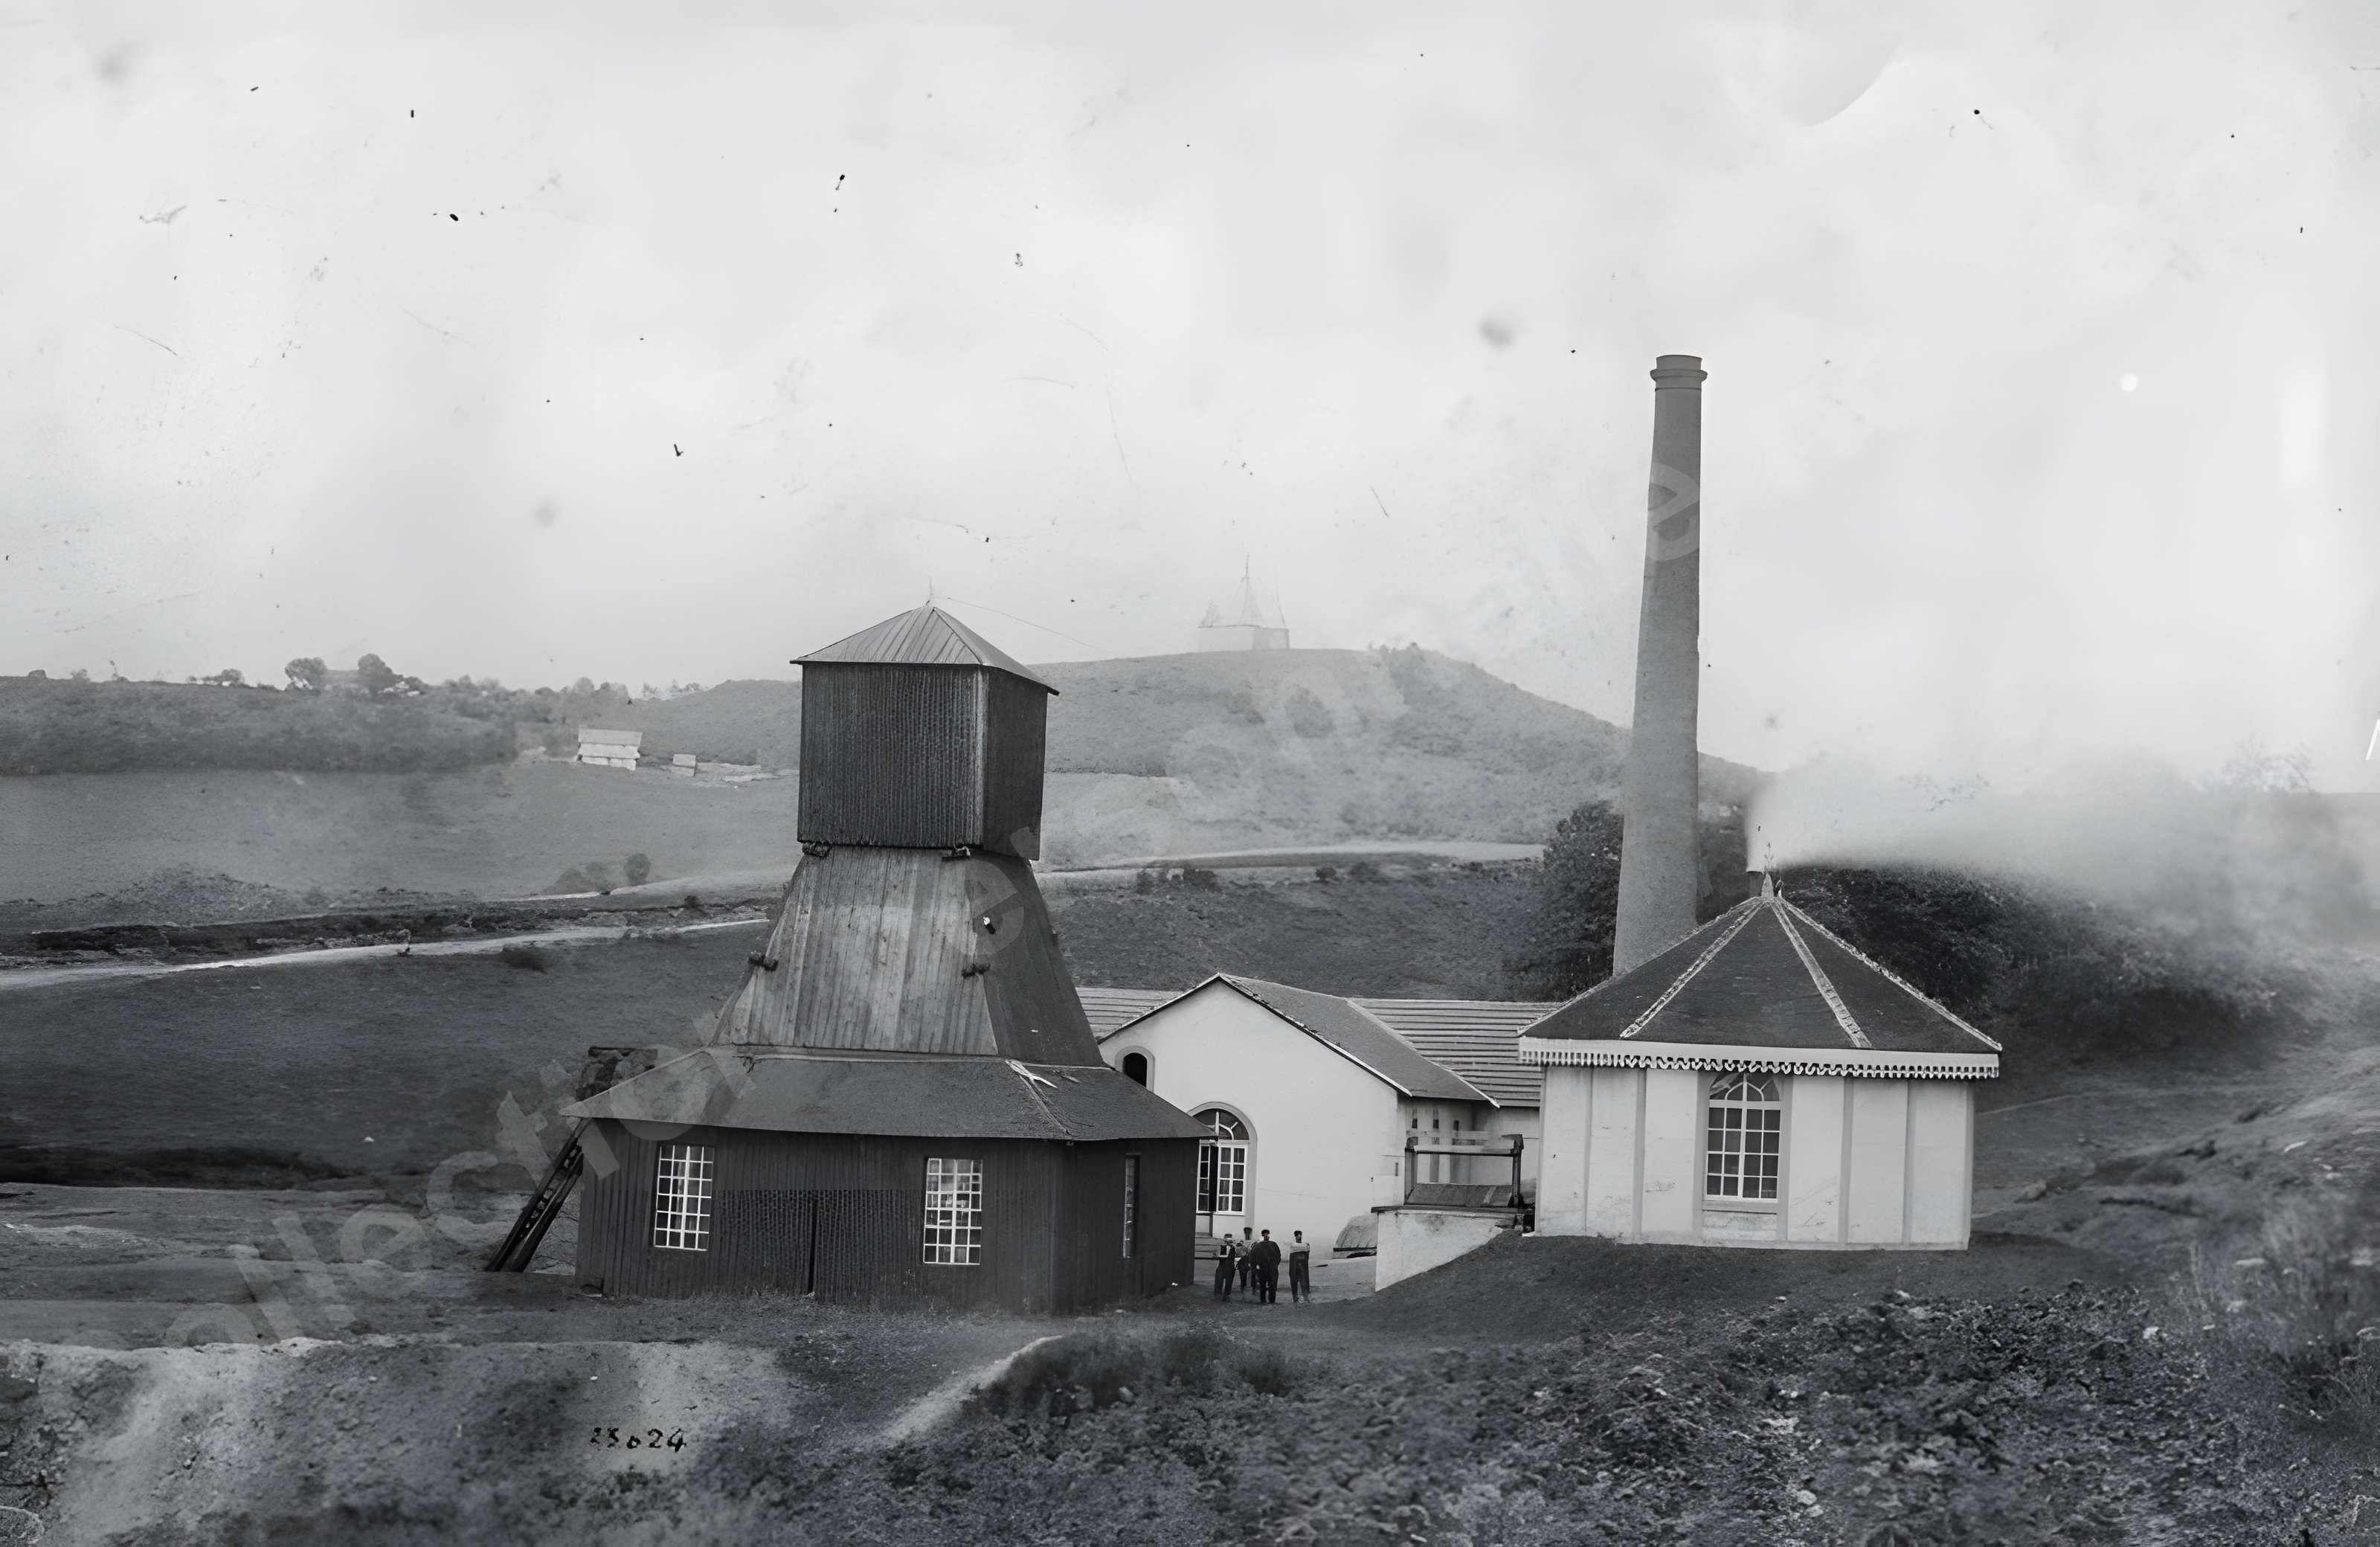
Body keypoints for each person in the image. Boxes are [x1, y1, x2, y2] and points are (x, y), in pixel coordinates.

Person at [1251, 1229, 1282, 1304]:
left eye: (1267, 1234)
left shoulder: (1259, 1246)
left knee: (1266, 1284)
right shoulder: (1271, 1245)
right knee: (1268, 1284)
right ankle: (1268, 1300)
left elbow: (1252, 1257)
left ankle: (1265, 1300)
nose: (1266, 1235)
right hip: (1266, 1268)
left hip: (1268, 1268)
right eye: (1265, 1234)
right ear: (1263, 1235)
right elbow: (1278, 1256)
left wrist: (1275, 1265)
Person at [1287, 1230, 1312, 1303]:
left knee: (1302, 1283)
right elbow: (1307, 1255)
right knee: (1298, 1283)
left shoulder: (1294, 1246)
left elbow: (1307, 1256)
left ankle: (1305, 1298)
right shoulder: (1302, 1246)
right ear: (1295, 1236)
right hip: (1298, 1267)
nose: (1300, 1236)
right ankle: (1298, 1298)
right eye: (1298, 1235)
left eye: (1300, 1235)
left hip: (1299, 1267)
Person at [1212, 1237, 1238, 1302]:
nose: (1230, 1243)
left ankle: (1224, 1295)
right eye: (1229, 1242)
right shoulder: (1226, 1248)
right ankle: (1220, 1294)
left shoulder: (1232, 1248)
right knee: (1221, 1281)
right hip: (1225, 1267)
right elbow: (1217, 1256)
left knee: (1226, 1282)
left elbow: (1218, 1256)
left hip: (1227, 1267)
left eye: (1230, 1242)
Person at [1236, 1226, 1255, 1293]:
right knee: (1242, 1275)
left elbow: (1251, 1251)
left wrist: (1244, 1246)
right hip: (1243, 1260)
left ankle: (1252, 1288)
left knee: (1252, 1275)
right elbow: (1238, 1252)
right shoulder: (1241, 1241)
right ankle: (1243, 1286)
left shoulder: (1252, 1242)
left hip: (1250, 1260)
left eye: (1249, 1232)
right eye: (1246, 1232)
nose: (1247, 1233)